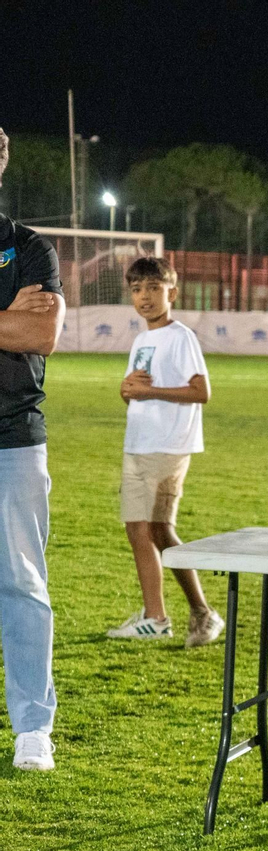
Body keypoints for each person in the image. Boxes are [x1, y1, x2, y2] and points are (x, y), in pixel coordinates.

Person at [107, 256, 224, 646]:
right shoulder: (142, 340)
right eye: (138, 289)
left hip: (164, 446)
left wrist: (147, 391)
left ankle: (178, 615)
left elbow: (200, 391)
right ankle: (180, 615)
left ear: (171, 292)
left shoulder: (179, 336)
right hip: (141, 442)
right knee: (149, 529)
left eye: (154, 288)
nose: (145, 297)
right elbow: (139, 393)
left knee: (149, 528)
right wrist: (127, 391)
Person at [0, 126, 67, 772]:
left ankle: (31, 727)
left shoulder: (26, 248)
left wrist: (20, 324)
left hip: (12, 440)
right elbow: (14, 327)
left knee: (21, 582)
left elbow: (41, 331)